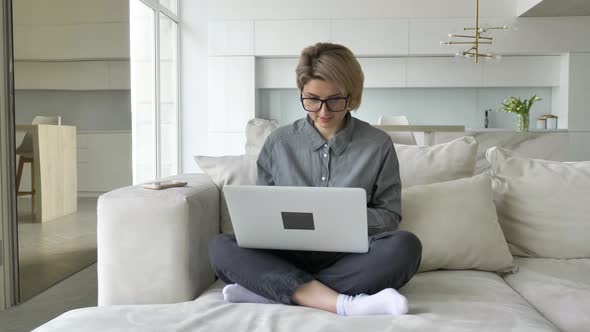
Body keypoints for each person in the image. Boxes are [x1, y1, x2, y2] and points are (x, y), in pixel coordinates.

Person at [208, 42, 422, 316]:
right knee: (220, 247)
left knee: (405, 247)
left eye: (335, 99)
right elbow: (264, 214)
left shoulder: (378, 144)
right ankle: (343, 303)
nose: (323, 111)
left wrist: (341, 217)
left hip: (350, 258)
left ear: (352, 95)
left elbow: (390, 216)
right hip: (286, 255)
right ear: (301, 92)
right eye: (312, 99)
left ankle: (276, 290)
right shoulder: (279, 142)